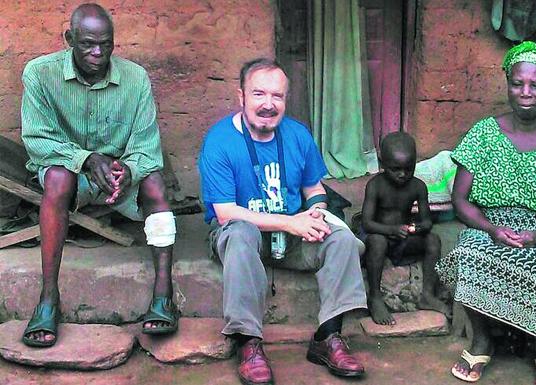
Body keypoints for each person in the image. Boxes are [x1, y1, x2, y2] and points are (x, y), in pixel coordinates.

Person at [435, 41, 536, 385]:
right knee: (468, 252)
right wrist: (491, 229)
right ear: (508, 84)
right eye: (517, 83)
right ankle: (482, 341)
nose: (526, 92)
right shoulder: (483, 134)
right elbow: (461, 199)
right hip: (492, 224)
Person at [198, 58, 367, 385]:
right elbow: (225, 213)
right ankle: (248, 343)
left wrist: (315, 212)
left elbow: (314, 189)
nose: (268, 104)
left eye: (277, 96)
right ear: (241, 96)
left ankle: (327, 337)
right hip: (243, 238)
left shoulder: (297, 135)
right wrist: (290, 223)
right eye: (259, 94)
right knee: (238, 232)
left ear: (285, 100)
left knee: (343, 239)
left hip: (290, 238)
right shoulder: (219, 140)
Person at [20, 3, 178, 347]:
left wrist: (128, 169)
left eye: (106, 44)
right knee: (59, 178)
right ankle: (48, 299)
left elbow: (147, 147)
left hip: (119, 180)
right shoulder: (39, 74)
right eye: (88, 44)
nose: (97, 53)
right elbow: (37, 141)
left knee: (153, 181)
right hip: (68, 176)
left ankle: (163, 297)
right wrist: (87, 159)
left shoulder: (135, 79)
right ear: (69, 39)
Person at [361, 132, 449, 325]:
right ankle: (375, 297)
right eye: (396, 169)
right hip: (382, 236)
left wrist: (416, 228)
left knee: (433, 239)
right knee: (377, 241)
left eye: (408, 169)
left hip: (403, 238)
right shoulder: (375, 185)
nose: (403, 174)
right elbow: (367, 223)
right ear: (383, 164)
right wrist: (391, 230)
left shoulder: (418, 186)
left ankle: (427, 294)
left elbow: (427, 222)